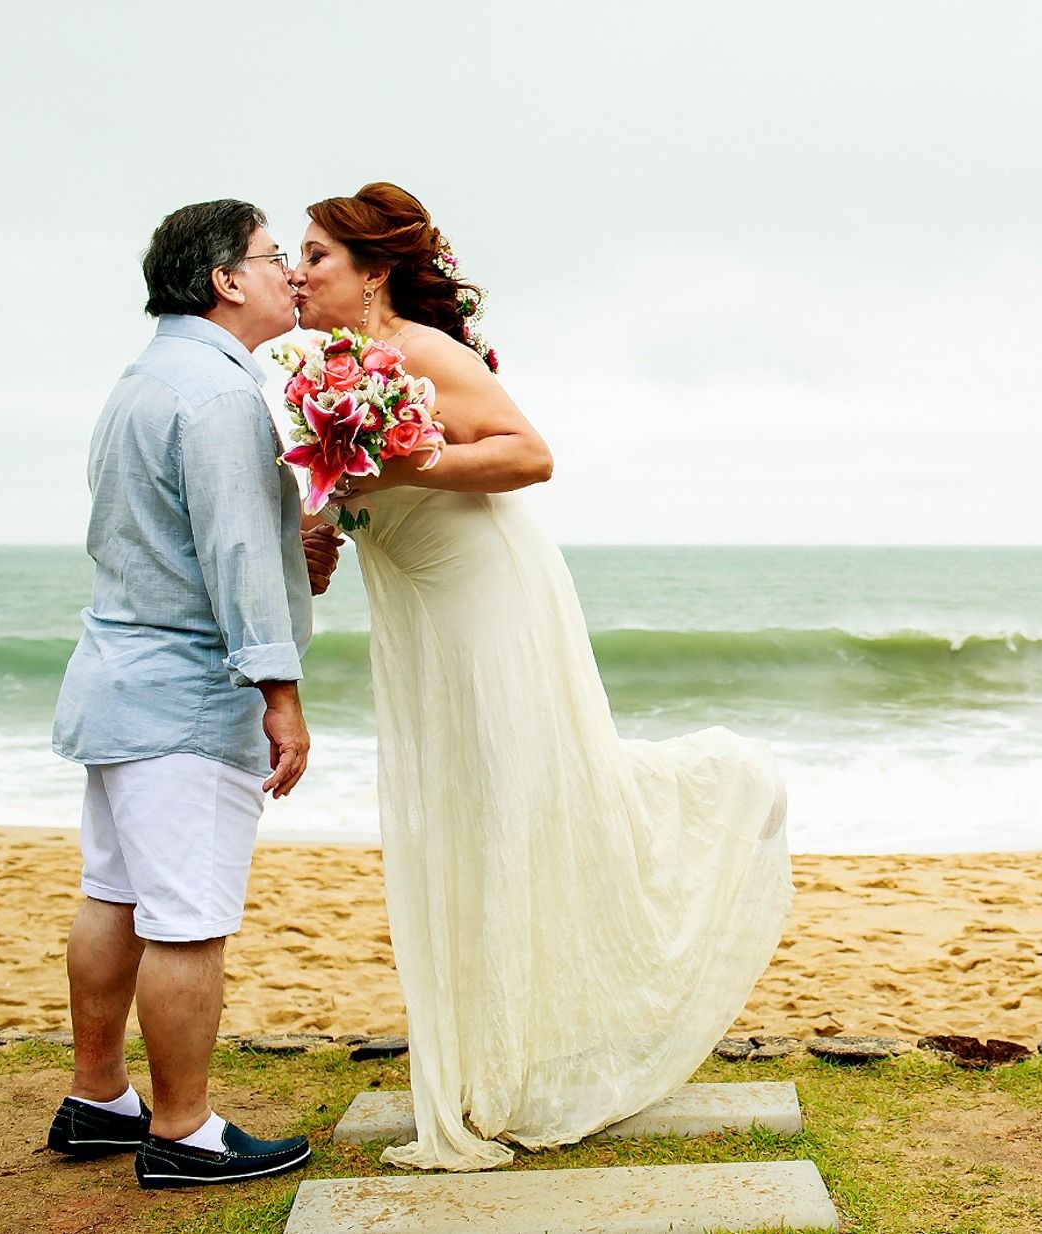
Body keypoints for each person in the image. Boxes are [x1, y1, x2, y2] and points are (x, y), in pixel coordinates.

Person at [293, 182, 792, 1171]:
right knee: (463, 820)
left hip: (488, 600)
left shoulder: (421, 352)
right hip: (421, 616)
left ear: (371, 271)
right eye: (297, 257)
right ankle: (492, 1062)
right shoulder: (323, 370)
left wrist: (398, 466)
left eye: (316, 256)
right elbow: (347, 486)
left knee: (524, 804)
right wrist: (323, 526)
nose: (298, 274)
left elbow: (529, 453)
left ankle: (733, 783)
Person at [47, 199, 339, 1189]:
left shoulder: (144, 379)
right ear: (224, 279)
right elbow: (234, 551)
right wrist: (281, 690)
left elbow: (167, 535)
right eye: (271, 257)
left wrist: (298, 554)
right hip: (182, 696)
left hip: (117, 678)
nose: (288, 274)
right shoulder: (219, 396)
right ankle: (182, 1129)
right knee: (188, 918)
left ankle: (99, 1097)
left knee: (116, 894)